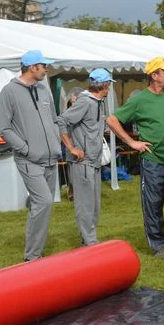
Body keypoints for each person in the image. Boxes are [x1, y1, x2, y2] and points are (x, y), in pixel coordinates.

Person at [106, 56, 164, 259]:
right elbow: (112, 120)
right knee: (153, 202)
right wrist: (131, 143)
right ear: (154, 75)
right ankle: (158, 244)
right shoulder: (140, 99)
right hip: (152, 159)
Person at [0, 50, 61, 261]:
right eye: (44, 66)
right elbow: (3, 128)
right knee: (43, 202)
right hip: (29, 160)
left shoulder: (44, 89)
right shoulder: (9, 92)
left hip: (51, 158)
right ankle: (32, 257)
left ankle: (36, 252)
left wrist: (57, 144)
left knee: (41, 204)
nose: (47, 69)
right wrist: (26, 149)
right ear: (33, 67)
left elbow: (53, 119)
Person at [57, 69, 115, 246]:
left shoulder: (97, 102)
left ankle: (88, 242)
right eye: (109, 85)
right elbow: (61, 121)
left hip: (94, 162)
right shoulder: (85, 102)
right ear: (104, 85)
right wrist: (71, 147)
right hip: (83, 163)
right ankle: (91, 243)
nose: (110, 88)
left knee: (95, 206)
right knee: (85, 206)